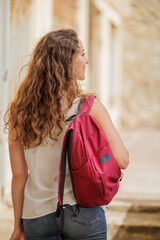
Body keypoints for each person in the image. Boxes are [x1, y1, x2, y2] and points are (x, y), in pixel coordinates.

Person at [4, 29, 129, 240]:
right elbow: (122, 160)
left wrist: (18, 225)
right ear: (66, 62)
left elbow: (18, 176)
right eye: (82, 54)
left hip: (36, 216)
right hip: (84, 212)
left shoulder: (20, 111)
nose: (86, 60)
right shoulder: (89, 107)